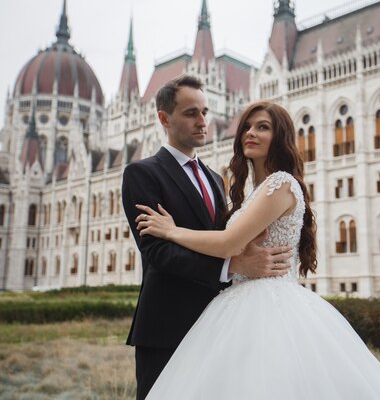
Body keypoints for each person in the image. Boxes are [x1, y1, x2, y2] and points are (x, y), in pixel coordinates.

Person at [135, 101, 380, 399]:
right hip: (239, 303)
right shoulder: (258, 191)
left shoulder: (280, 184)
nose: (250, 133)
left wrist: (172, 231)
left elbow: (230, 243)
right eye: (248, 127)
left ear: (280, 137)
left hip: (267, 307)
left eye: (262, 127)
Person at [121, 75, 294, 400]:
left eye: (205, 111)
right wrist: (232, 266)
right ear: (164, 119)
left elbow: (228, 238)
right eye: (191, 113)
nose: (203, 122)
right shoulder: (141, 173)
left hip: (219, 324)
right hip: (167, 327)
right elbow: (158, 252)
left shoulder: (216, 179)